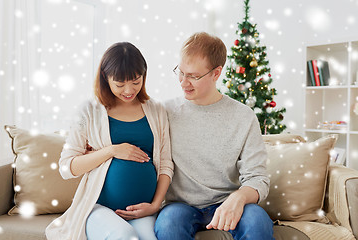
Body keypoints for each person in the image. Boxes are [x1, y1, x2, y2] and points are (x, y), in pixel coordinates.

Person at [45, 42, 174, 240]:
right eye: (120, 84)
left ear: (144, 75)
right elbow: (66, 168)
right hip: (99, 208)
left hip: (142, 211)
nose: (129, 90)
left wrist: (155, 206)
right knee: (124, 236)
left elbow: (165, 163)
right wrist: (111, 151)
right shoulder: (89, 110)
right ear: (105, 77)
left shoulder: (156, 110)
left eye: (136, 81)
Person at [154, 32, 274, 239]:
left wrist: (238, 198)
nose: (184, 82)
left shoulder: (243, 117)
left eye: (194, 76)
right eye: (180, 73)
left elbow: (258, 178)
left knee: (258, 222)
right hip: (180, 207)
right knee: (168, 226)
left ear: (216, 73)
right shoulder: (164, 112)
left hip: (228, 202)